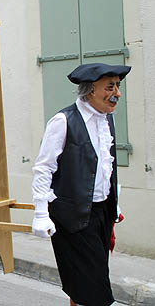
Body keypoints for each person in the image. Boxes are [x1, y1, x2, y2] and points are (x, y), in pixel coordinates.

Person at [31, 63, 130, 306]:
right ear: (90, 90)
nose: (117, 93)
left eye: (118, 86)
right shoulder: (63, 121)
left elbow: (107, 167)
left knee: (85, 282)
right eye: (110, 87)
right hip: (73, 215)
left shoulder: (107, 120)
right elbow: (44, 168)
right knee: (95, 289)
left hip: (101, 212)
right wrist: (41, 213)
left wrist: (113, 201)